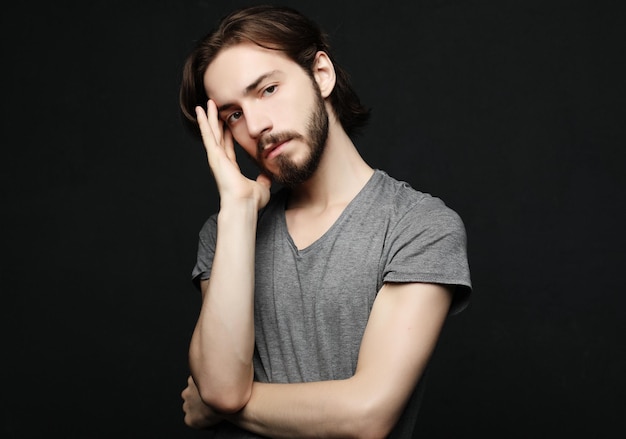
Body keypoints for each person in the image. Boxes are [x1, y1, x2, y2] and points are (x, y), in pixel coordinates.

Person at [179, 4, 472, 438]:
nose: (257, 125)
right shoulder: (226, 233)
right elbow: (222, 385)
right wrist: (238, 211)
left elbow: (366, 416)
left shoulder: (419, 227)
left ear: (321, 74)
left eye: (268, 90)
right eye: (233, 115)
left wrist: (221, 406)